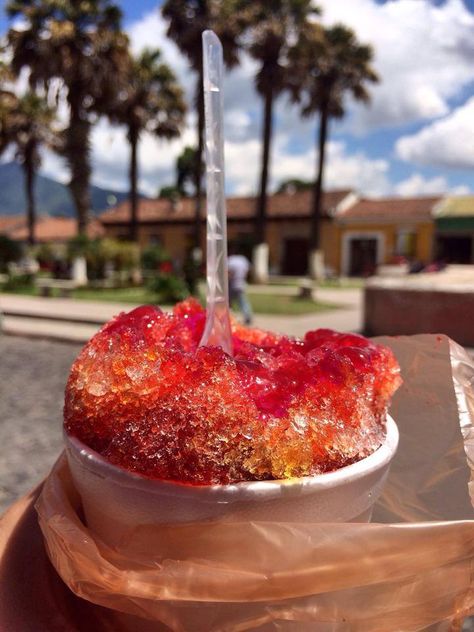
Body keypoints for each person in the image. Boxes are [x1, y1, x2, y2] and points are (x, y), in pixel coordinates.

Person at [228, 245, 253, 325]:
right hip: (241, 283)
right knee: (243, 302)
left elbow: (227, 273)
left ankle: (229, 316)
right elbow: (248, 270)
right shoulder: (243, 259)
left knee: (228, 302)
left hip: (232, 284)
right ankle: (247, 316)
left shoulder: (230, 260)